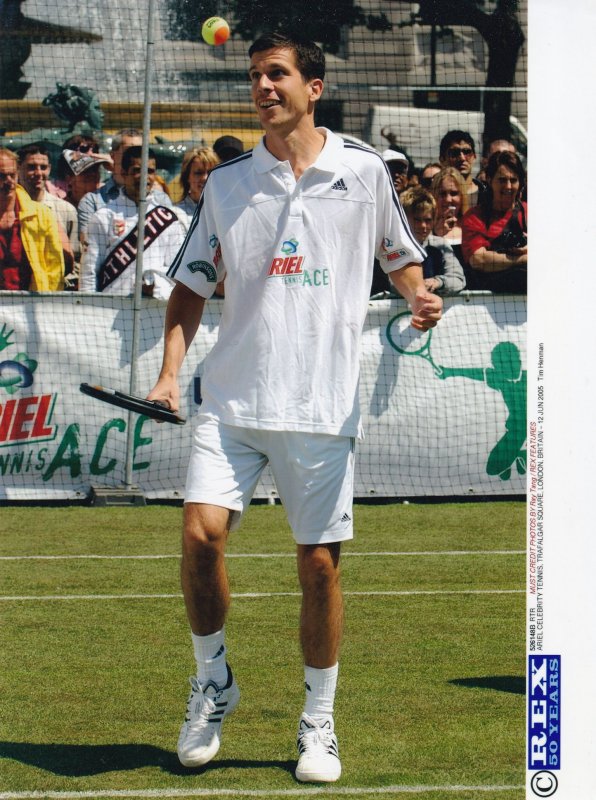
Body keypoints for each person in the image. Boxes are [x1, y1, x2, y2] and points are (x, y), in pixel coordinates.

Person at [147, 31, 442, 783]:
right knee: (200, 536)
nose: (262, 87)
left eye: (276, 74)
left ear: (315, 87)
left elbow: (401, 258)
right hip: (234, 401)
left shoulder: (365, 171)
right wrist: (171, 374)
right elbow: (190, 288)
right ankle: (213, 680)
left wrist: (418, 296)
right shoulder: (226, 183)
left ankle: (318, 721)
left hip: (321, 405)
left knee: (317, 569)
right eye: (254, 77)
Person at [79, 146, 186, 298]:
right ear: (123, 173)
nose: (144, 177)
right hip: (111, 310)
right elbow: (88, 275)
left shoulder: (169, 219)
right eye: (137, 170)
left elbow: (178, 272)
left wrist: (155, 284)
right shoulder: (103, 217)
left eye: (150, 171)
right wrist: (88, 311)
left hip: (155, 310)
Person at [461, 150, 527, 293]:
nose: (508, 186)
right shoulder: (474, 217)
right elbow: (479, 260)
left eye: (513, 180)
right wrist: (523, 259)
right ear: (490, 180)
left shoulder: (530, 213)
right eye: (502, 180)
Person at [0, 148, 64, 291]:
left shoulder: (41, 214)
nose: (8, 181)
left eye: (12, 175)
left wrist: (49, 302)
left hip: (30, 303)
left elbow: (54, 266)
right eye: (1, 176)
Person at [17, 143, 79, 284]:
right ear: (18, 168)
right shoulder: (9, 208)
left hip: (56, 294)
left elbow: (76, 259)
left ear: (50, 169)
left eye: (43, 167)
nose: (38, 173)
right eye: (31, 167)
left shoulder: (66, 210)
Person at [400, 186, 465, 295]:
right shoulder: (393, 246)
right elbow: (392, 283)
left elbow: (459, 280)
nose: (423, 226)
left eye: (428, 220)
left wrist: (438, 282)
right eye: (417, 220)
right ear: (404, 219)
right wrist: (418, 287)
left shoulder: (441, 245)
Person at [56, 134, 112, 209]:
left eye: (95, 166)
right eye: (85, 169)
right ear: (68, 176)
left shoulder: (110, 197)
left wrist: (114, 167)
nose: (92, 173)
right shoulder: (59, 208)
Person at [430, 166, 470, 269]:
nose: (448, 199)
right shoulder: (425, 226)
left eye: (454, 193)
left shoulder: (471, 225)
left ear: (462, 196)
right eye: (442, 194)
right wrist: (436, 235)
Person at [173, 147, 220, 222]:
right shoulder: (176, 214)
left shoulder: (223, 210)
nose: (205, 178)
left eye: (210, 172)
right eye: (198, 173)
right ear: (187, 177)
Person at [439, 130, 484, 206]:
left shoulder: (486, 194)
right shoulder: (436, 195)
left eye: (467, 152)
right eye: (455, 153)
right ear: (442, 159)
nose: (462, 158)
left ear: (474, 157)